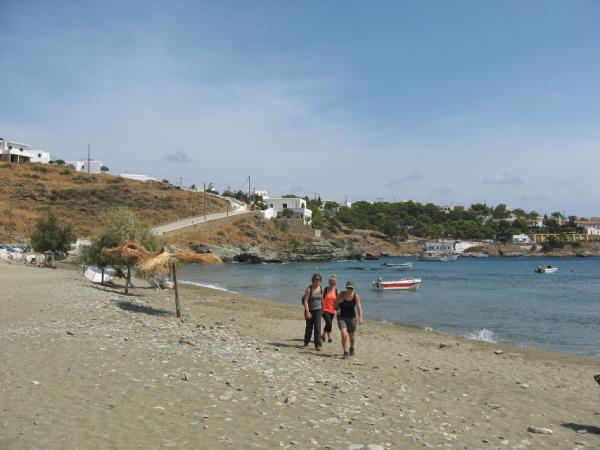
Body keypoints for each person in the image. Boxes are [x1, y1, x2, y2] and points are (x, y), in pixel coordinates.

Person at [334, 280, 363, 359]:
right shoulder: (341, 294)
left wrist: (360, 317)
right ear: (346, 287)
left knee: (352, 336)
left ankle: (352, 348)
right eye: (348, 288)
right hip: (341, 317)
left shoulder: (355, 296)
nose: (349, 290)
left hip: (352, 318)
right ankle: (345, 352)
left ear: (354, 288)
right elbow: (334, 306)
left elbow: (359, 307)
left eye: (351, 288)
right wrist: (339, 301)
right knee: (344, 334)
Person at [303, 273, 323, 350]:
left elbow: (322, 299)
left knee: (318, 327)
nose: (318, 281)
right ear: (313, 280)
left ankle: (318, 345)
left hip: (318, 310)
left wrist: (323, 309)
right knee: (309, 327)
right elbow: (305, 300)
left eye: (319, 279)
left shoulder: (321, 289)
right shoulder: (309, 289)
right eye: (316, 279)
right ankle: (306, 341)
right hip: (310, 310)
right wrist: (307, 312)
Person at [321, 275, 338, 343]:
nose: (332, 285)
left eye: (334, 283)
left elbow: (338, 301)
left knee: (328, 323)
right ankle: (329, 337)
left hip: (333, 310)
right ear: (328, 282)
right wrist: (321, 308)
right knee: (329, 322)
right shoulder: (324, 290)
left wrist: (338, 310)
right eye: (331, 283)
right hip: (324, 309)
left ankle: (322, 335)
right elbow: (321, 299)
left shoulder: (337, 291)